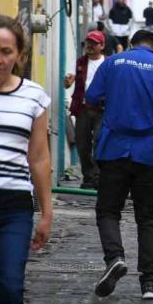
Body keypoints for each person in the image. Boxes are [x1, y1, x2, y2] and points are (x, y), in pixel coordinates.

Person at [85, 29, 153, 301]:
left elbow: (90, 101)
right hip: (150, 152)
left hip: (114, 149)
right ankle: (150, 283)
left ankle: (115, 257)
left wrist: (109, 109)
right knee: (147, 218)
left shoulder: (112, 63)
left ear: (132, 44)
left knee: (108, 211)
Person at [0, 15, 52, 304]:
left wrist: (47, 213)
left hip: (13, 208)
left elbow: (39, 158)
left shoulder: (34, 97)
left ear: (19, 55)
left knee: (10, 290)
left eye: (5, 51)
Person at [63, 30, 107, 190]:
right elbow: (69, 81)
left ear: (102, 46)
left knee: (99, 142)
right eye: (88, 42)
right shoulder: (80, 62)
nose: (89, 45)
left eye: (94, 43)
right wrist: (67, 83)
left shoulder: (107, 62)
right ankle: (88, 177)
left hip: (102, 110)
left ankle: (97, 177)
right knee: (82, 144)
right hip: (83, 109)